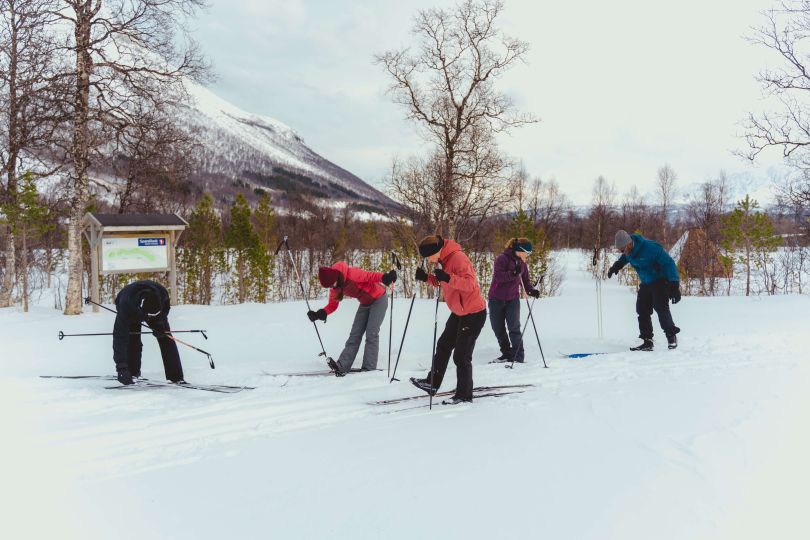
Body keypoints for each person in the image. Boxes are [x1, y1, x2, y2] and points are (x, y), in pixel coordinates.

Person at [410, 235, 487, 404]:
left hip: (473, 313)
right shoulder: (444, 259)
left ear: (437, 251)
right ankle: (432, 384)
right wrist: (427, 278)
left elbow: (470, 284)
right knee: (443, 345)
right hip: (459, 312)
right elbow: (443, 282)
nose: (429, 260)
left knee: (461, 356)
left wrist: (447, 277)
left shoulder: (458, 258)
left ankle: (464, 396)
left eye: (429, 256)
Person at [308, 262, 396, 376]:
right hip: (365, 303)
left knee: (371, 333)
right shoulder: (335, 287)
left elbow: (370, 276)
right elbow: (332, 305)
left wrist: (385, 277)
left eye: (331, 284)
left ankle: (369, 368)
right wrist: (320, 313)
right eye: (329, 286)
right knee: (355, 334)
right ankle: (342, 365)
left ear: (335, 277)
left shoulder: (351, 274)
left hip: (379, 299)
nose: (332, 287)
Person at [607, 230, 681, 351]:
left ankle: (671, 336)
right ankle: (647, 341)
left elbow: (669, 263)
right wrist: (617, 266)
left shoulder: (650, 248)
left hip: (660, 281)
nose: (622, 252)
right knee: (642, 309)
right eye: (620, 250)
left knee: (660, 308)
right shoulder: (628, 251)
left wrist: (674, 283)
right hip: (646, 282)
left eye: (623, 249)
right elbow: (624, 258)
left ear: (629, 244)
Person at [113, 280, 184, 385]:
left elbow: (164, 313)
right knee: (133, 337)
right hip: (130, 305)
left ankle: (176, 376)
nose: (150, 318)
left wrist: (158, 326)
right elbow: (119, 338)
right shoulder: (126, 306)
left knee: (166, 337)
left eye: (154, 314)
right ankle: (132, 372)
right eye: (149, 315)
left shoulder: (163, 297)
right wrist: (121, 367)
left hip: (151, 305)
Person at [488, 237, 541, 363]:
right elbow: (499, 277)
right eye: (527, 253)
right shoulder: (502, 259)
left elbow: (525, 281)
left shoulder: (522, 263)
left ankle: (518, 357)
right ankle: (506, 354)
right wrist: (512, 273)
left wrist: (531, 290)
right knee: (498, 329)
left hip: (513, 299)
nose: (528, 256)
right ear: (519, 250)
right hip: (496, 299)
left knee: (514, 328)